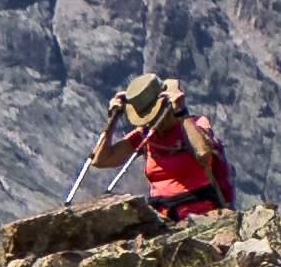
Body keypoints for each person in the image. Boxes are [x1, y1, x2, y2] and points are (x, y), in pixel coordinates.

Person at [89, 73, 235, 222]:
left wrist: (181, 114)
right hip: (162, 213)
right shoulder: (145, 136)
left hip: (199, 209)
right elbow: (100, 160)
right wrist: (113, 119)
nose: (150, 122)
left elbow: (204, 153)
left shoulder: (194, 124)